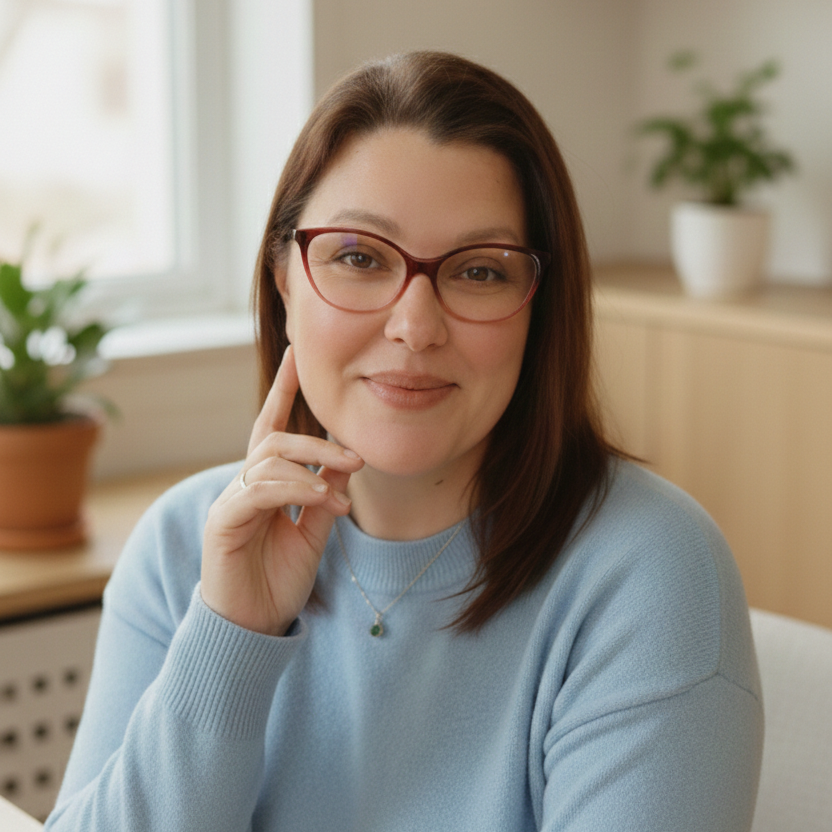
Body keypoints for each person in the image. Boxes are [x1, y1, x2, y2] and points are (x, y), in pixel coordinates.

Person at [46, 51, 763, 831]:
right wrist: (231, 639)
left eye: (480, 271)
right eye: (359, 257)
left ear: (539, 306)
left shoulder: (649, 571)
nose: (415, 326)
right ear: (284, 281)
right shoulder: (187, 544)